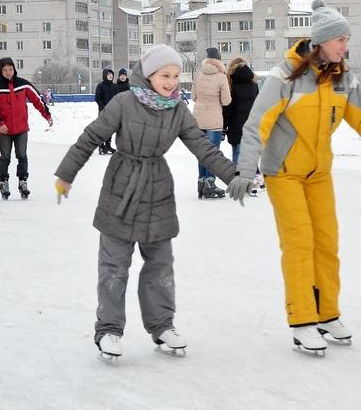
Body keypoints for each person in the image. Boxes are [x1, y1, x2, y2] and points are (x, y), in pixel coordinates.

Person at [227, 0, 361, 355]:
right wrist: (245, 169)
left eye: (347, 39)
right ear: (321, 41)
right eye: (340, 39)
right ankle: (301, 320)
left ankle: (326, 313)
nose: (345, 46)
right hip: (283, 174)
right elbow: (256, 125)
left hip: (319, 174)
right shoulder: (285, 77)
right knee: (299, 244)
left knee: (327, 244)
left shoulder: (344, 77)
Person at [54, 45, 241, 360]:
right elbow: (90, 137)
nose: (170, 82)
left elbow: (202, 147)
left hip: (157, 190)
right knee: (114, 266)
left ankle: (162, 325)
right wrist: (66, 175)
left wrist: (232, 175)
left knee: (160, 264)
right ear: (149, 74)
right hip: (122, 187)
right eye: (164, 75)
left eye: (175, 75)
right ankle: (109, 330)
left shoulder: (178, 109)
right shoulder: (124, 102)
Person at [0, 57, 53, 200]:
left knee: (22, 156)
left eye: (10, 69)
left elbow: (37, 100)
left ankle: (23, 182)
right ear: (0, 71)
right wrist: (0, 123)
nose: (8, 72)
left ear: (14, 69)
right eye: (5, 70)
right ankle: (3, 183)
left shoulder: (23, 85)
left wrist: (46, 115)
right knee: (5, 157)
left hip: (21, 128)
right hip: (5, 130)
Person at [191, 47, 231, 199]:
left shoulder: (198, 75)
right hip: (214, 120)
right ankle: (209, 184)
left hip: (198, 120)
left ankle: (201, 183)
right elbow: (226, 101)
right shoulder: (221, 77)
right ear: (219, 60)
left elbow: (194, 97)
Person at [222, 57, 263, 194]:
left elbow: (229, 107)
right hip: (252, 123)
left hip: (236, 123)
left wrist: (224, 125)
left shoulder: (231, 84)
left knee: (238, 152)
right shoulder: (253, 83)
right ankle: (253, 179)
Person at [94, 68, 118, 154]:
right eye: (109, 75)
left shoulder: (115, 86)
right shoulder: (100, 86)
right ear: (105, 76)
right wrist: (103, 107)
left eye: (112, 75)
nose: (110, 76)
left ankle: (108, 145)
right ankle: (101, 146)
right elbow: (97, 98)